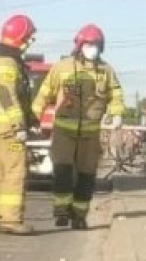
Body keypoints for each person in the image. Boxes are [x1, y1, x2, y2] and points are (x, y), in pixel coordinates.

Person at [31, 24, 125, 230]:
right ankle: (62, 211)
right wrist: (33, 117)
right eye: (89, 45)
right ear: (80, 45)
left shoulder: (106, 71)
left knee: (86, 175)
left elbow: (116, 94)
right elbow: (45, 92)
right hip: (64, 131)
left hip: (90, 134)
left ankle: (80, 215)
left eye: (97, 45)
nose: (93, 49)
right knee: (62, 170)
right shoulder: (62, 67)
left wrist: (117, 113)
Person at [0, 14, 40, 235]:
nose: (30, 42)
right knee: (14, 172)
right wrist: (19, 124)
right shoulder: (8, 62)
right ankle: (11, 219)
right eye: (29, 37)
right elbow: (7, 93)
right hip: (7, 128)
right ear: (21, 37)